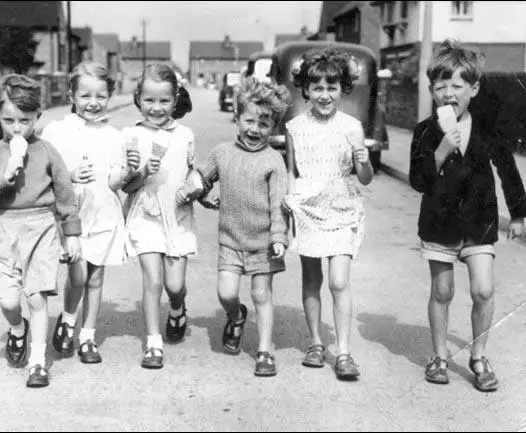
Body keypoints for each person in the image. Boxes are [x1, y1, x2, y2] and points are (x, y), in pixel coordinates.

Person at [409, 39, 526, 392]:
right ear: (431, 89)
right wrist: (443, 147)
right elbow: (419, 180)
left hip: (480, 222)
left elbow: (507, 169)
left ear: (473, 89)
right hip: (439, 223)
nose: (448, 93)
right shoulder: (426, 131)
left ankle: (478, 356)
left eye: (457, 86)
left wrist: (519, 214)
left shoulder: (487, 128)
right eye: (440, 86)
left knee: (483, 289)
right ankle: (439, 356)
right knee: (442, 291)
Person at [177, 76, 291, 377]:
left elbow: (280, 203)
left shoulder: (274, 161)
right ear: (237, 117)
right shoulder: (222, 153)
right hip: (230, 240)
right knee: (226, 293)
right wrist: (194, 191)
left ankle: (265, 351)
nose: (254, 129)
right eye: (249, 120)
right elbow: (203, 176)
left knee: (261, 294)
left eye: (263, 124)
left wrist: (279, 237)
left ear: (273, 127)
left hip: (265, 243)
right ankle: (236, 316)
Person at [0, 74, 82, 388]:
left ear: (38, 116)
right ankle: (17, 329)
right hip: (5, 230)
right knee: (9, 301)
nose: (16, 128)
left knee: (36, 298)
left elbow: (64, 193)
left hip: (41, 229)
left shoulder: (47, 151)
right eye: (9, 120)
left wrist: (71, 232)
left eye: (24, 120)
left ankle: (37, 362)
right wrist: (5, 175)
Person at [285, 47, 373, 380]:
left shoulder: (352, 126)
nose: (325, 95)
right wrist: (290, 202)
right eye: (317, 87)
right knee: (312, 280)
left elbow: (364, 178)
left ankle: (345, 352)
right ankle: (316, 342)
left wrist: (363, 160)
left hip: (341, 208)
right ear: (305, 90)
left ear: (342, 88)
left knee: (339, 281)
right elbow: (292, 172)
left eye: (331, 87)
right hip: (307, 211)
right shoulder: (294, 128)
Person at [42, 61, 133, 364]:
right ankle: (68, 318)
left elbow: (114, 182)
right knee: (78, 274)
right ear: (71, 95)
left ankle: (87, 337)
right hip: (74, 216)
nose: (93, 103)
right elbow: (45, 175)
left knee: (95, 278)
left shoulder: (114, 136)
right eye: (85, 95)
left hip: (104, 212)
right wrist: (68, 176)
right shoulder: (57, 132)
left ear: (110, 96)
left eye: (100, 96)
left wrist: (129, 171)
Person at [121, 64, 198, 369]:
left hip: (177, 218)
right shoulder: (131, 135)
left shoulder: (185, 135)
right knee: (153, 280)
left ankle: (177, 308)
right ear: (138, 99)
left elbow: (192, 172)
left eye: (164, 100)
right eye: (149, 100)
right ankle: (153, 344)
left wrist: (195, 189)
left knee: (174, 286)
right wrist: (141, 172)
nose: (156, 108)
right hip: (145, 216)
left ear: (175, 99)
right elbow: (127, 185)